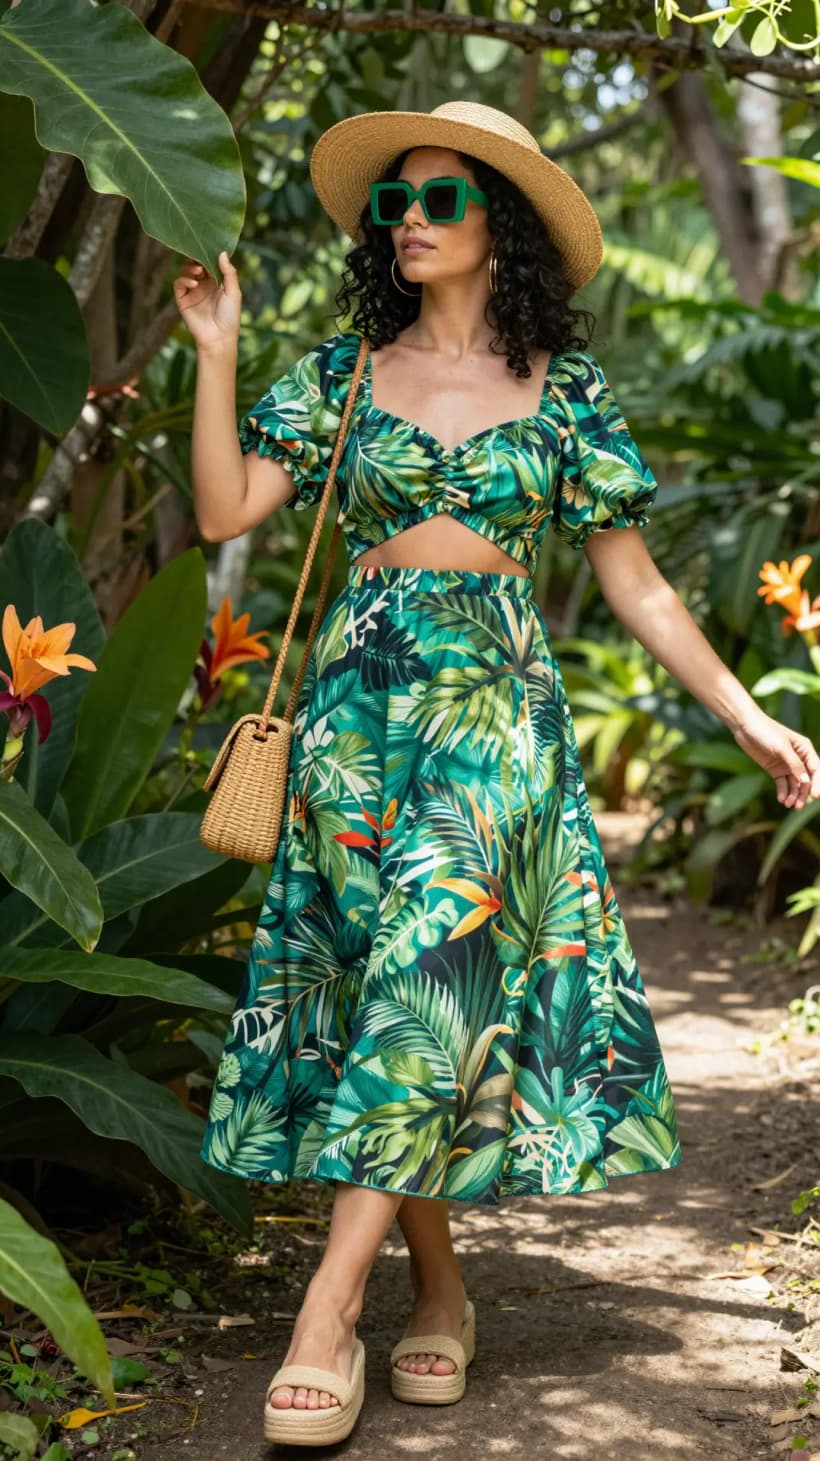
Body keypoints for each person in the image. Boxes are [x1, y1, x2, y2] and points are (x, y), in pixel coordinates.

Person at [175, 99, 820, 1446]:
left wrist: (743, 713)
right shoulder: (345, 369)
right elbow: (227, 509)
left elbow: (636, 583)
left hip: (498, 722)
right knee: (389, 998)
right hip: (358, 718)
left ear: (499, 224)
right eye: (393, 203)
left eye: (440, 199)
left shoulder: (565, 391)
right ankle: (441, 1291)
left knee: (436, 974)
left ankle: (324, 1317)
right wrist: (219, 354)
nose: (409, 220)